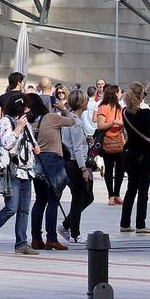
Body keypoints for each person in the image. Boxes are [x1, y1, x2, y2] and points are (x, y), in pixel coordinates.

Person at [0, 96, 39, 255]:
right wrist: (18, 128)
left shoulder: (23, 122)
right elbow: (7, 143)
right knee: (11, 208)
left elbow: (32, 143)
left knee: (24, 209)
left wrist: (35, 146)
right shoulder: (5, 122)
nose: (28, 110)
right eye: (25, 107)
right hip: (12, 170)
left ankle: (21, 243)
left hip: (26, 170)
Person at [29, 92, 75, 251]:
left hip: (37, 163)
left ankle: (36, 238)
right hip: (53, 162)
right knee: (53, 202)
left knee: (40, 201)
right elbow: (72, 121)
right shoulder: (50, 118)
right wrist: (63, 108)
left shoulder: (29, 122)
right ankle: (51, 239)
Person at [120, 83, 150, 235]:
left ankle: (124, 223)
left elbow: (136, 102)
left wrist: (144, 93)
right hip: (145, 155)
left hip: (130, 153)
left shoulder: (125, 112)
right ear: (141, 96)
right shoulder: (147, 114)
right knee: (143, 190)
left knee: (131, 189)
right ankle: (140, 224)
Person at [59, 89, 94, 242]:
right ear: (81, 103)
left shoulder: (70, 119)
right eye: (85, 100)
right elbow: (77, 148)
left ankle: (67, 224)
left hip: (72, 162)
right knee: (79, 198)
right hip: (75, 164)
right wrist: (83, 168)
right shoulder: (76, 122)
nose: (87, 102)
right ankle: (75, 232)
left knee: (87, 196)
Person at [94, 84, 125, 205]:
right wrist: (113, 122)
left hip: (120, 142)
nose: (121, 94)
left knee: (120, 170)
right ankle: (110, 195)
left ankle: (117, 194)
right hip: (107, 142)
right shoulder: (103, 107)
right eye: (119, 92)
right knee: (109, 169)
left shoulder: (119, 107)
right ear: (114, 93)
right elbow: (100, 126)